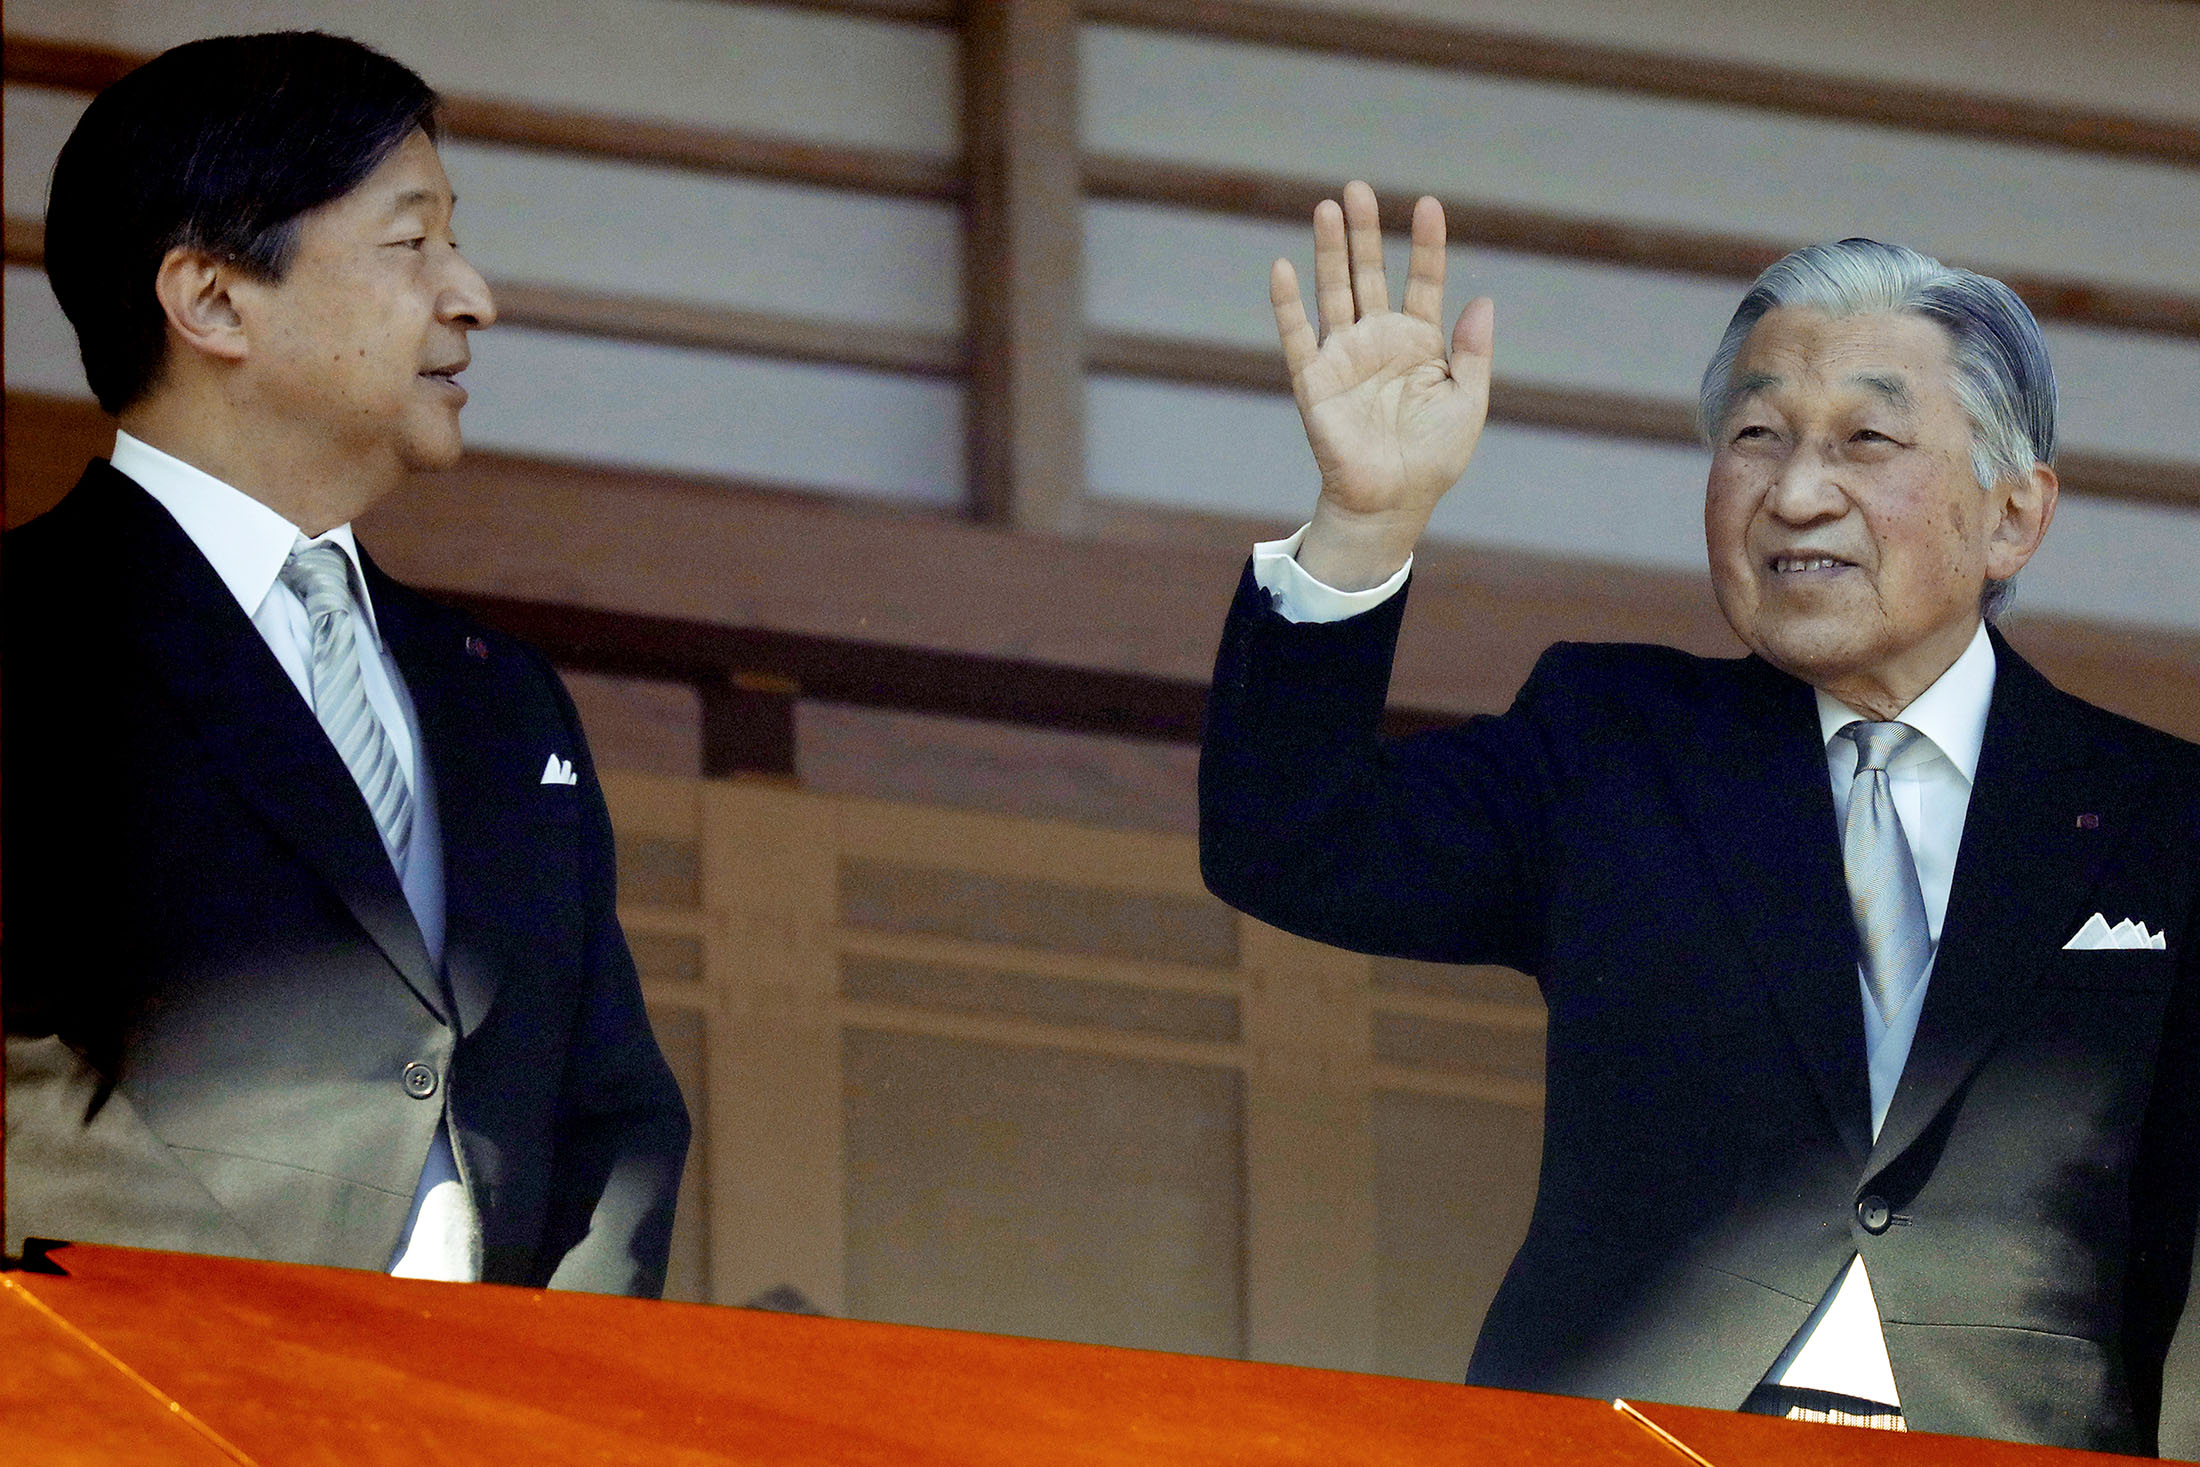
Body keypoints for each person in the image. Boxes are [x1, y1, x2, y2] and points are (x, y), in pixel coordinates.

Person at [1199, 181, 2197, 1453]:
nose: (1792, 494)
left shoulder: (2162, 818)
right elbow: (1290, 842)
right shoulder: (1613, 742)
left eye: (1865, 444)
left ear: (2012, 514)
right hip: (1631, 1433)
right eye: (1755, 437)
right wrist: (1365, 519)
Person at [3, 31, 690, 1297]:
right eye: (409, 242)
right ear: (212, 300)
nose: (474, 295)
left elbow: (617, 1109)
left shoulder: (500, 694)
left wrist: (566, 1384)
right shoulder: (21, 634)